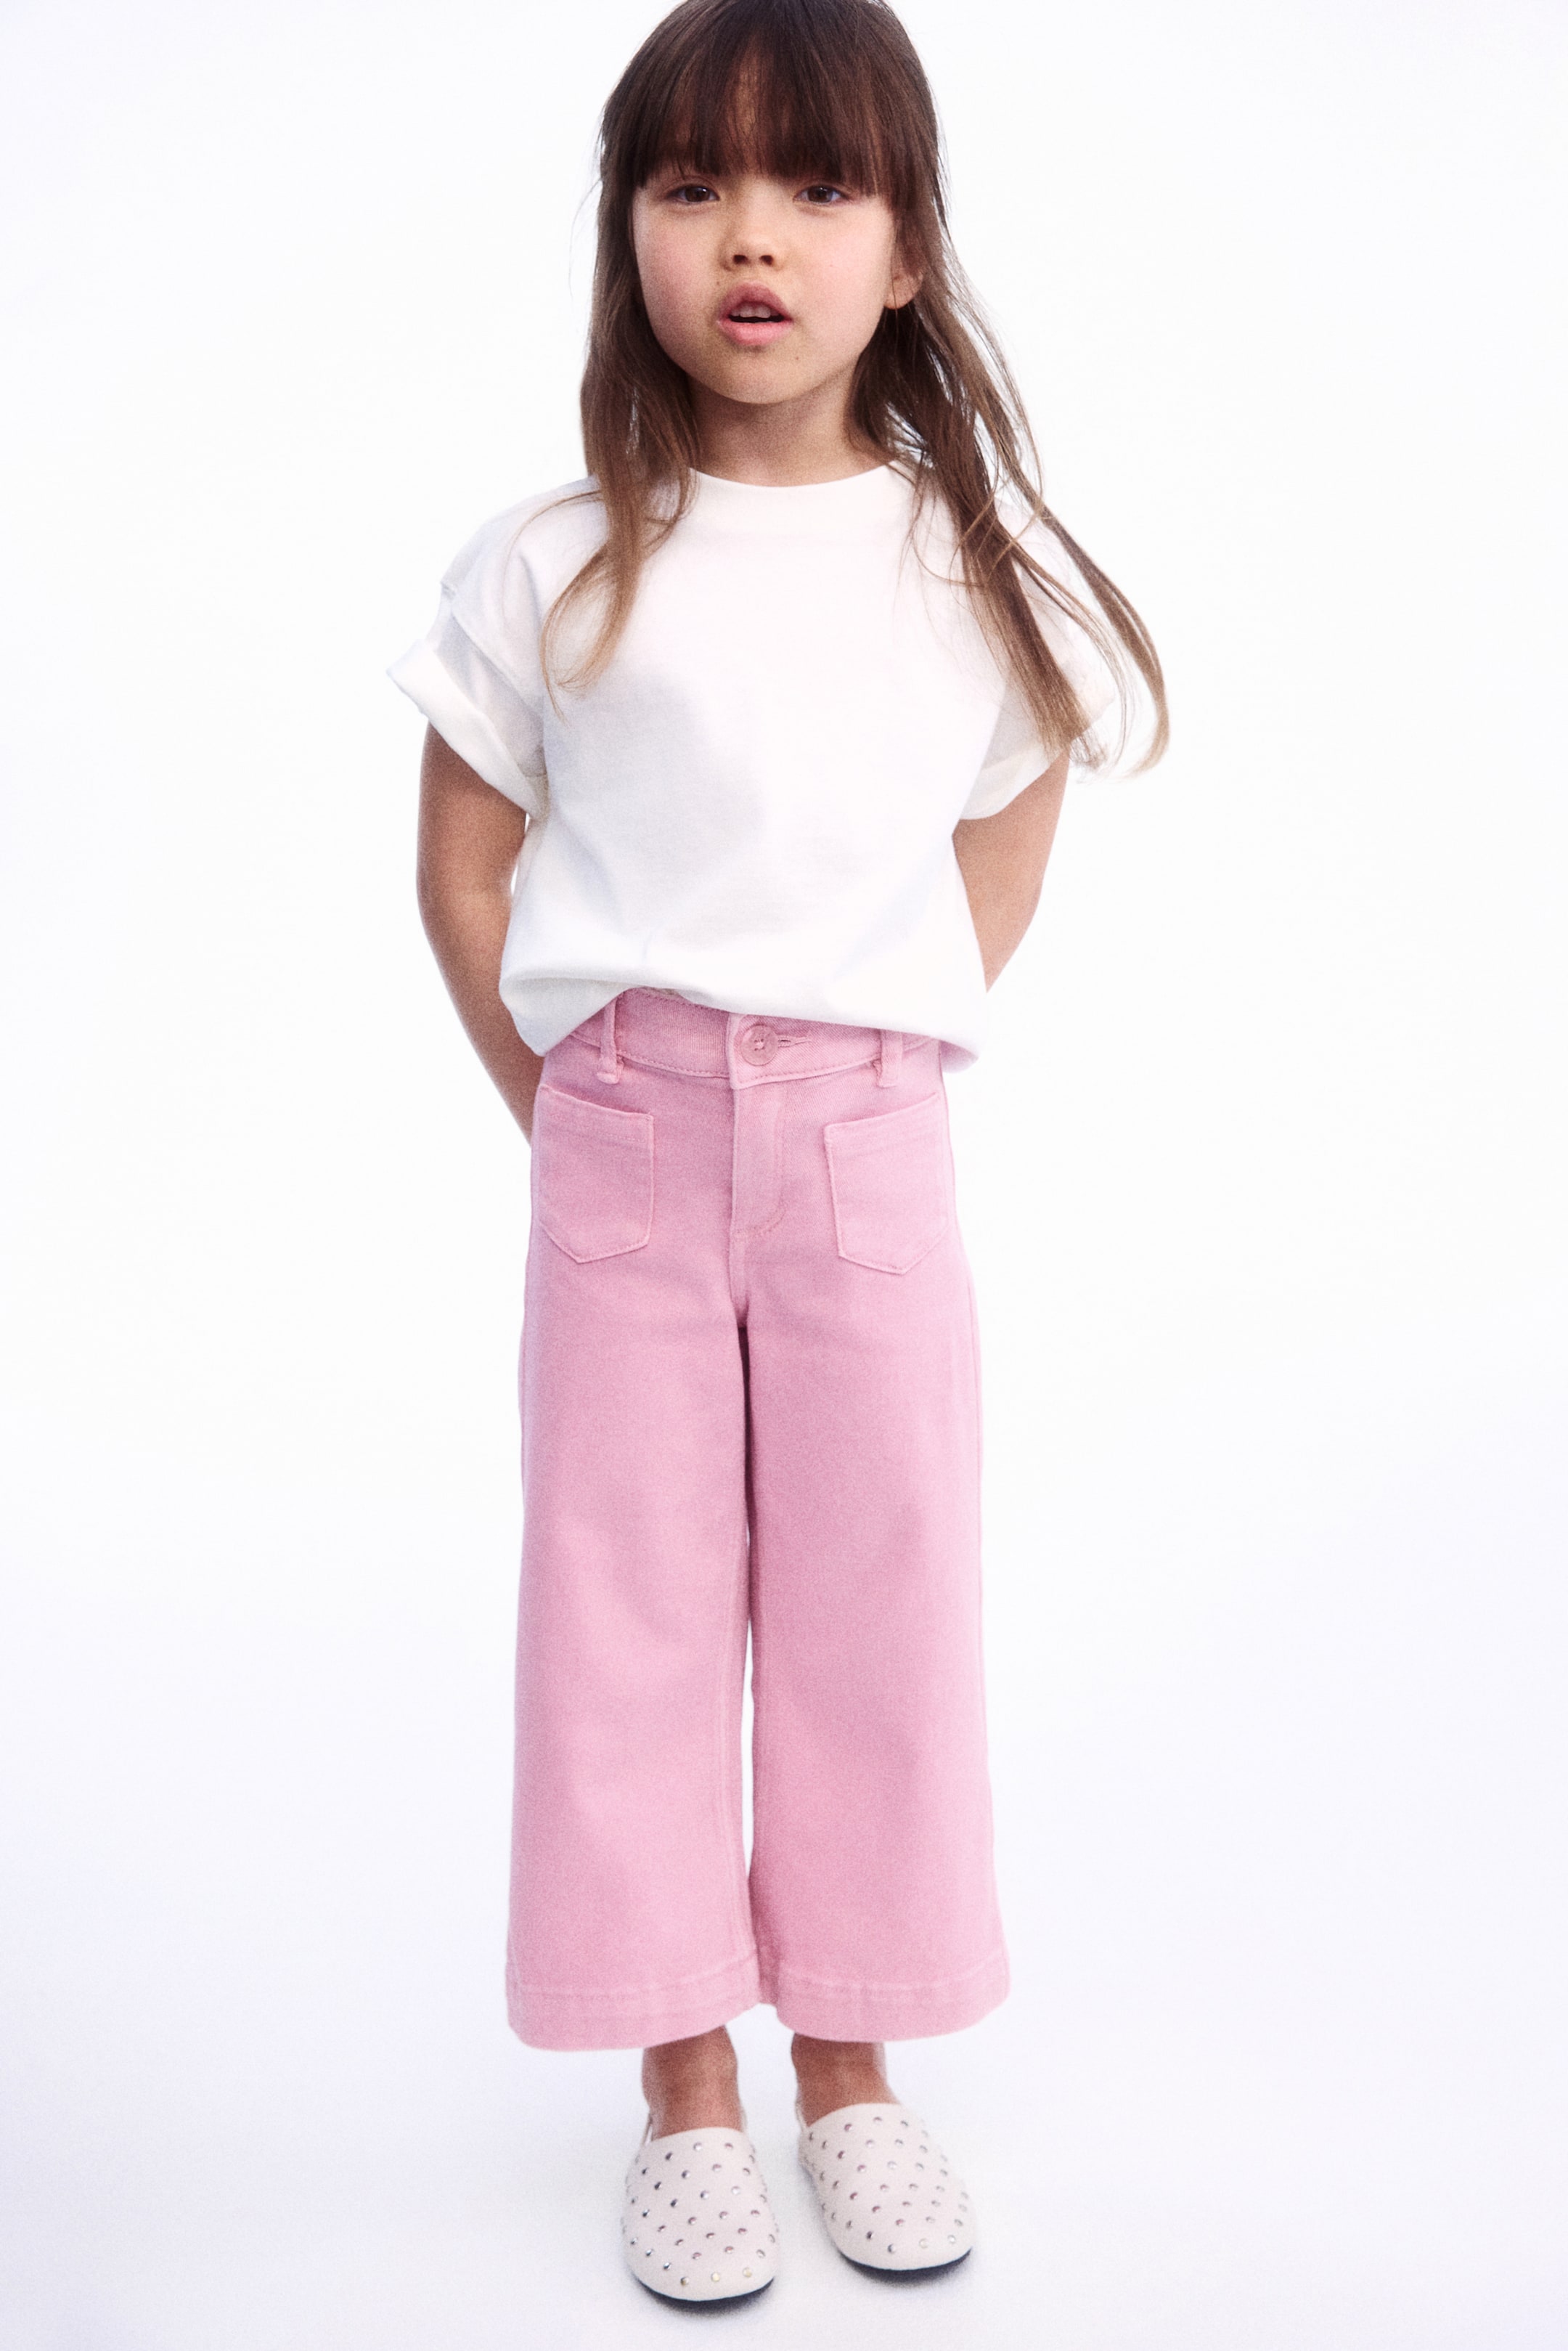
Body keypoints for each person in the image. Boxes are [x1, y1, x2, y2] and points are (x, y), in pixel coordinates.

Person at [391, 0, 1165, 2305]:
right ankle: (684, 2089)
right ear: (627, 229)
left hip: (866, 1151)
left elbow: (1007, 826)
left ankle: (852, 2065)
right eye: (694, 184)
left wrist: (867, 1045)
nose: (754, 238)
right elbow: (462, 867)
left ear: (908, 249)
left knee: (876, 1599)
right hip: (623, 1139)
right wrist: (575, 1109)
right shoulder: (554, 561)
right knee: (622, 1609)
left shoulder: (964, 563)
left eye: (820, 189)